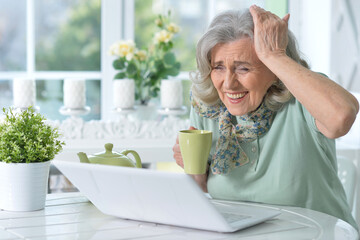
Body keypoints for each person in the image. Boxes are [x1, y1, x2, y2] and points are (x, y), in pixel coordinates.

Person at [172, 5, 359, 230]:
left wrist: (274, 54)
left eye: (243, 69)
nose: (228, 83)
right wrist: (195, 169)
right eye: (219, 67)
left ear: (274, 71)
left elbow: (342, 116)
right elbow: (200, 188)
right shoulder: (208, 105)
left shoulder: (303, 98)